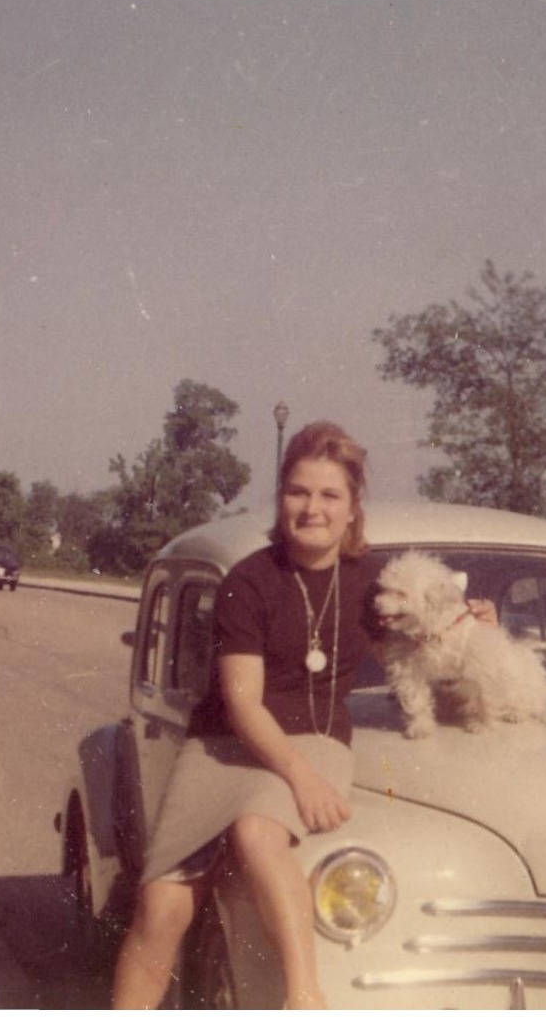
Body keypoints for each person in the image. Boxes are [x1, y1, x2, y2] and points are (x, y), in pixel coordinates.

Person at [111, 421, 379, 1010]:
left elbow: (426, 638)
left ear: (353, 507)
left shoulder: (370, 581)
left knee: (257, 833)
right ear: (280, 497)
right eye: (298, 492)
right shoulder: (249, 582)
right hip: (227, 746)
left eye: (330, 495)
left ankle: (304, 999)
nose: (313, 509)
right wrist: (299, 780)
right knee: (160, 905)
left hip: (316, 740)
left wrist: (472, 622)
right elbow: (241, 702)